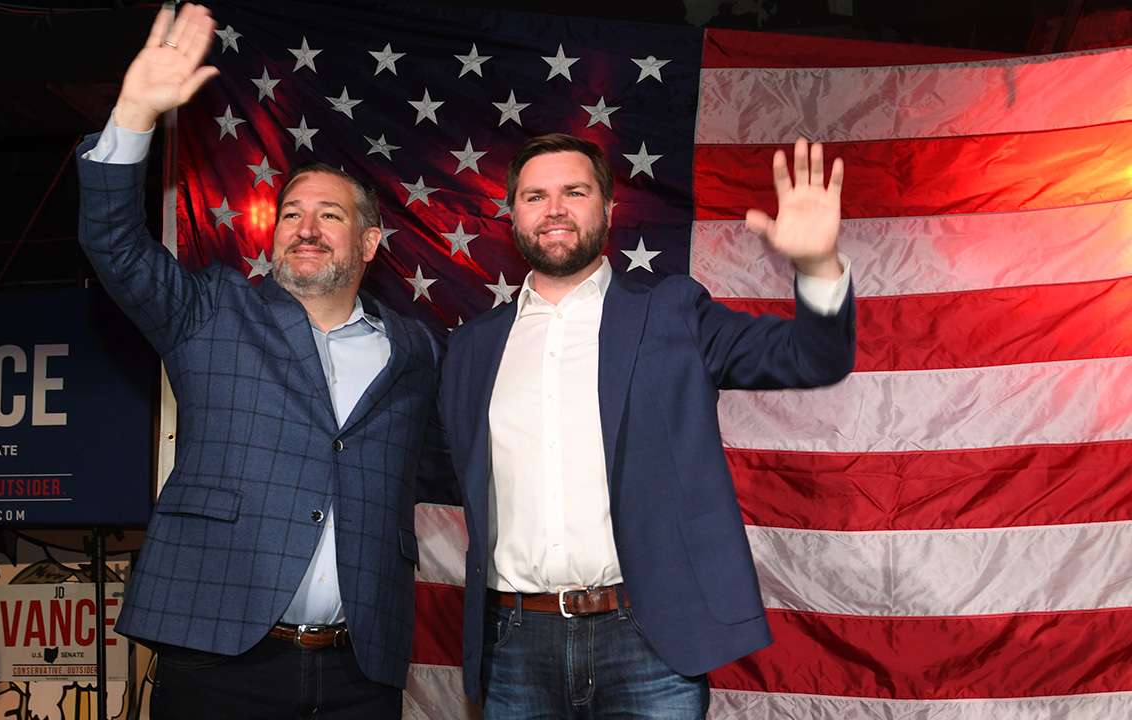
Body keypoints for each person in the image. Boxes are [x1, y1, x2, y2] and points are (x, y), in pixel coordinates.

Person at [75, 5, 444, 718]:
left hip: (359, 669)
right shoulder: (210, 310)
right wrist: (133, 112)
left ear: (369, 244)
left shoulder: (416, 348)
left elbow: (461, 462)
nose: (305, 227)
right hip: (219, 656)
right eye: (292, 212)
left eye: (330, 215)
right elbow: (114, 244)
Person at [438, 133, 856, 718]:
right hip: (514, 648)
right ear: (514, 215)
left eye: (574, 192)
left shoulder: (673, 313)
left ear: (608, 210)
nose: (554, 208)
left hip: (648, 641)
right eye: (535, 196)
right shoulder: (471, 349)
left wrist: (818, 266)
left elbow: (812, 357)